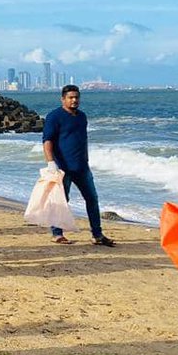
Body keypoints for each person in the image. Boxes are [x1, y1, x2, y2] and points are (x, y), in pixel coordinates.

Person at [42, 86, 115, 247]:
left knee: (92, 199)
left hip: (82, 167)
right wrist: (50, 163)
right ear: (63, 99)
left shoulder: (82, 117)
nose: (74, 100)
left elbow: (83, 140)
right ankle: (57, 233)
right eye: (70, 98)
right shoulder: (54, 116)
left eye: (76, 97)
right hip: (63, 167)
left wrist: (86, 160)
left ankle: (97, 234)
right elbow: (47, 141)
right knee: (61, 201)